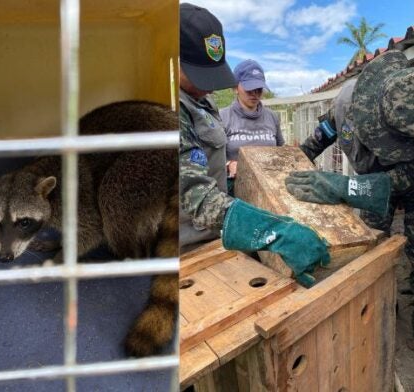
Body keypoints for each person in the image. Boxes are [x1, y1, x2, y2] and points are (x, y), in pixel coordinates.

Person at [177, 3, 329, 286]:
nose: (209, 88)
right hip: (184, 249)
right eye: (200, 76)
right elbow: (194, 194)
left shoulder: (203, 101)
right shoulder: (169, 109)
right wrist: (272, 231)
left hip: (220, 234)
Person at [286, 50, 414, 283]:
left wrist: (347, 188)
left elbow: (401, 179)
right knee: (371, 242)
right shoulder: (345, 103)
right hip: (371, 178)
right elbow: (319, 139)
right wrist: (292, 165)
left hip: (404, 179)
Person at [220, 59, 284, 193]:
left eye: (259, 89)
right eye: (249, 89)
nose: (255, 93)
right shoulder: (222, 117)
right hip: (236, 187)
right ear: (235, 87)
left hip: (271, 185)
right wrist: (229, 164)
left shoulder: (272, 117)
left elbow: (280, 150)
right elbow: (211, 157)